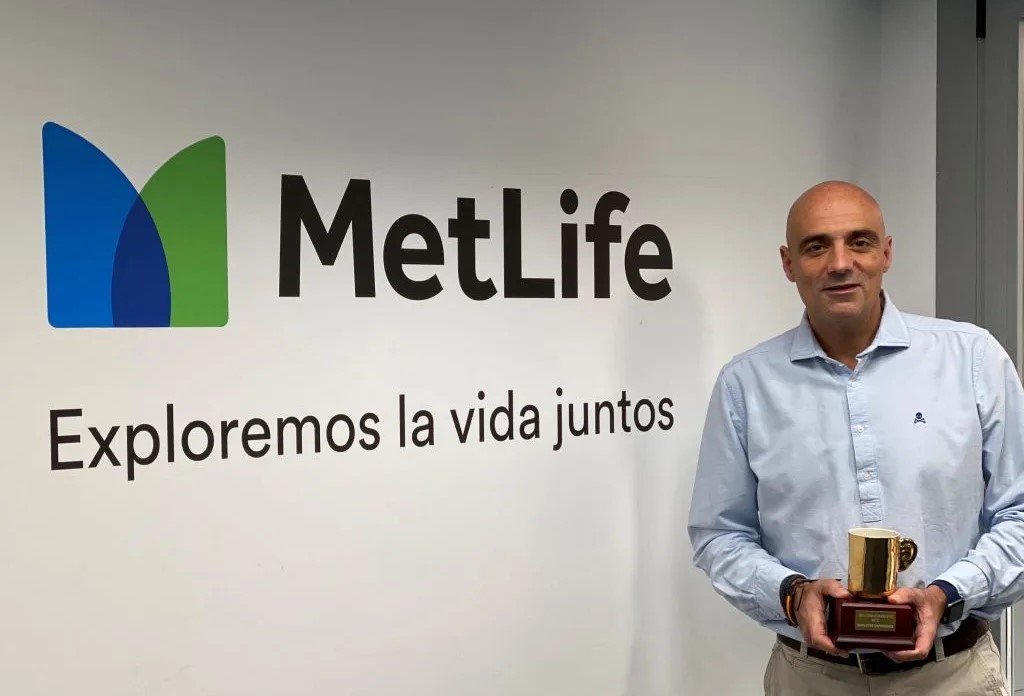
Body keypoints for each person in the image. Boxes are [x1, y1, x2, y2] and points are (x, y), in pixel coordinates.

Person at [686, 180, 1024, 694]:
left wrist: (948, 594)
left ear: (886, 252)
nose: (840, 263)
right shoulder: (746, 386)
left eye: (859, 242)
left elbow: (1020, 513)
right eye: (816, 246)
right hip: (811, 680)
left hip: (953, 677)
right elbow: (719, 534)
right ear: (788, 263)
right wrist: (791, 595)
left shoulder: (973, 360)